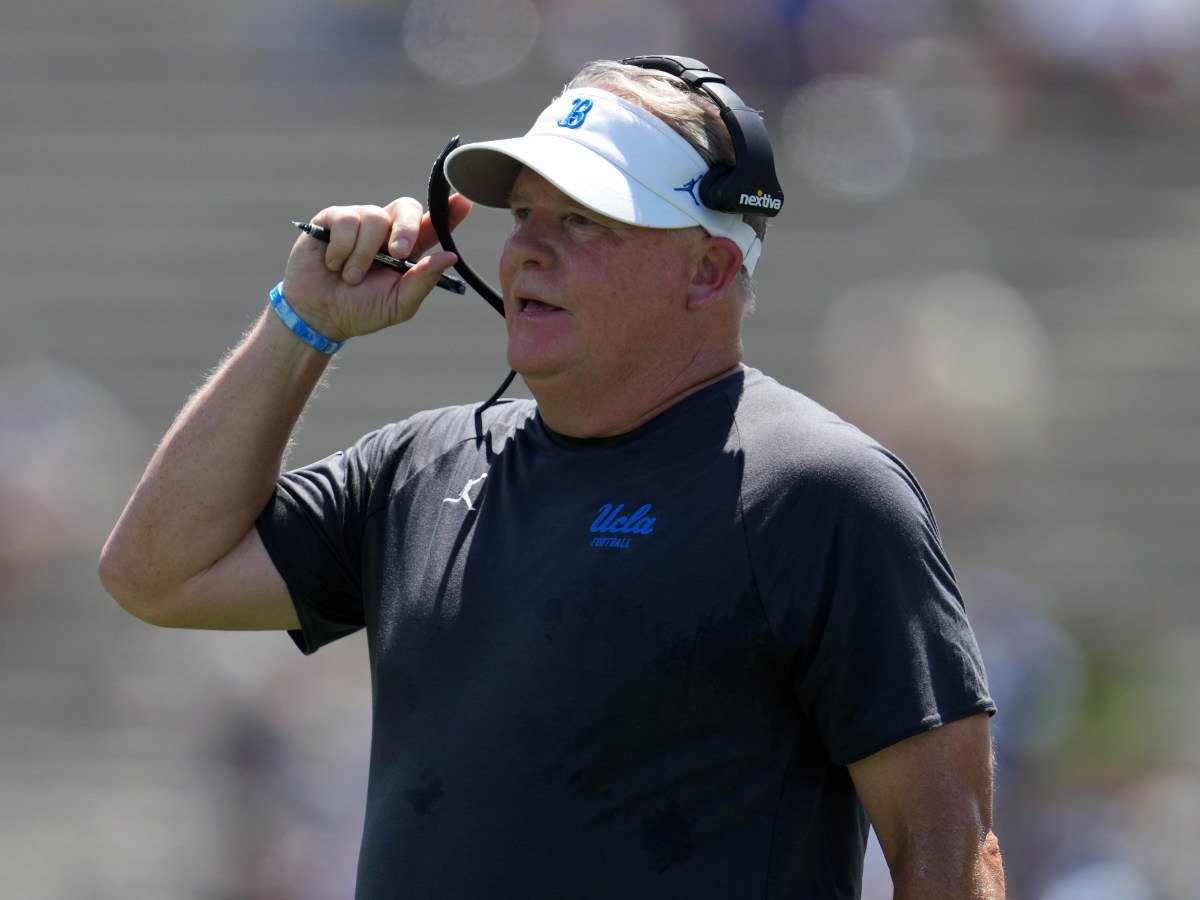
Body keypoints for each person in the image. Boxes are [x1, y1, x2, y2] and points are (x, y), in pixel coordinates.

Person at [100, 57, 1005, 898]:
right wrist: (303, 323)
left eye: (582, 219)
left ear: (708, 270)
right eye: (524, 215)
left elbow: (948, 854)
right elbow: (158, 571)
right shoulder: (419, 469)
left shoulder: (813, 490)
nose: (527, 249)